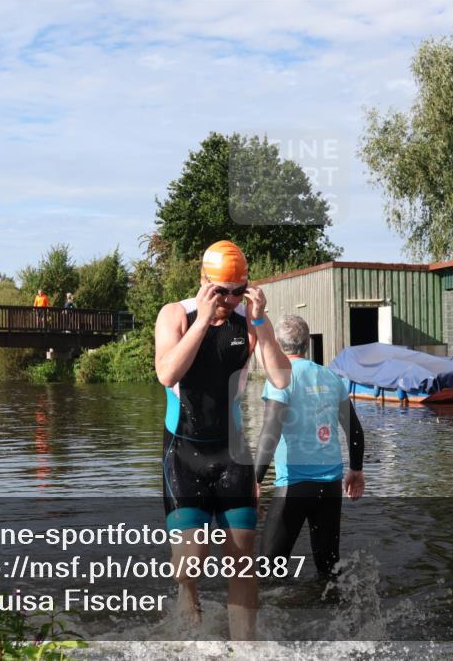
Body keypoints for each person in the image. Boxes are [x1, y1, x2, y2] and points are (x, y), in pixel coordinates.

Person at [153, 240, 291, 640]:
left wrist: (262, 323)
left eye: (238, 290)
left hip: (232, 454)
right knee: (191, 564)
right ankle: (188, 602)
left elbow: (282, 378)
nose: (230, 300)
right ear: (203, 282)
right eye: (221, 291)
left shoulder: (249, 319)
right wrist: (202, 319)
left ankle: (245, 649)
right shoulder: (175, 314)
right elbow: (167, 373)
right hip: (183, 455)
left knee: (243, 561)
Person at [255, 314, 366, 579]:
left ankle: (273, 619)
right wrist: (357, 470)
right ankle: (334, 615)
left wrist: (255, 479)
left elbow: (270, 431)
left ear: (278, 346)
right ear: (306, 345)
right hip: (329, 485)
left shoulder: (280, 378)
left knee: (267, 572)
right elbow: (355, 431)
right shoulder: (331, 377)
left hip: (293, 483)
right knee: (328, 569)